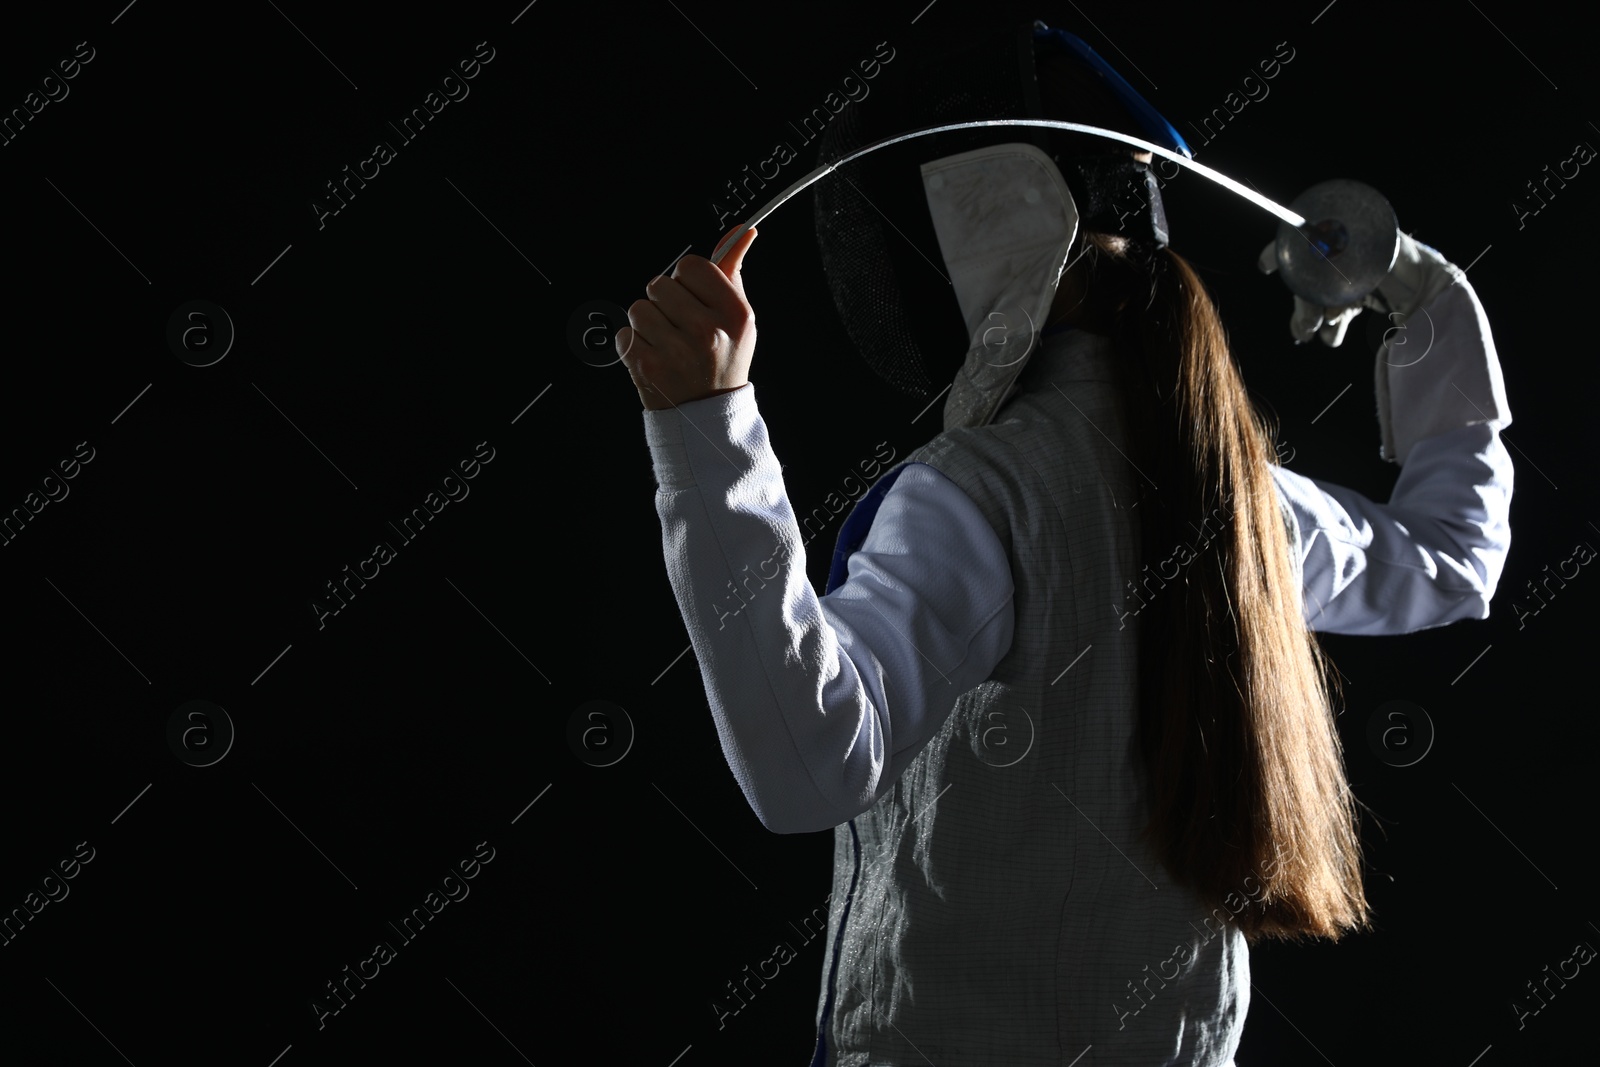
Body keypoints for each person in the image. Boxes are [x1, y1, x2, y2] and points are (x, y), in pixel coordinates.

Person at [616, 19, 1512, 1066]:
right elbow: (1454, 557)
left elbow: (810, 765)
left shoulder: (980, 496)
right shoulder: (1244, 501)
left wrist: (705, 431)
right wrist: (1429, 298)